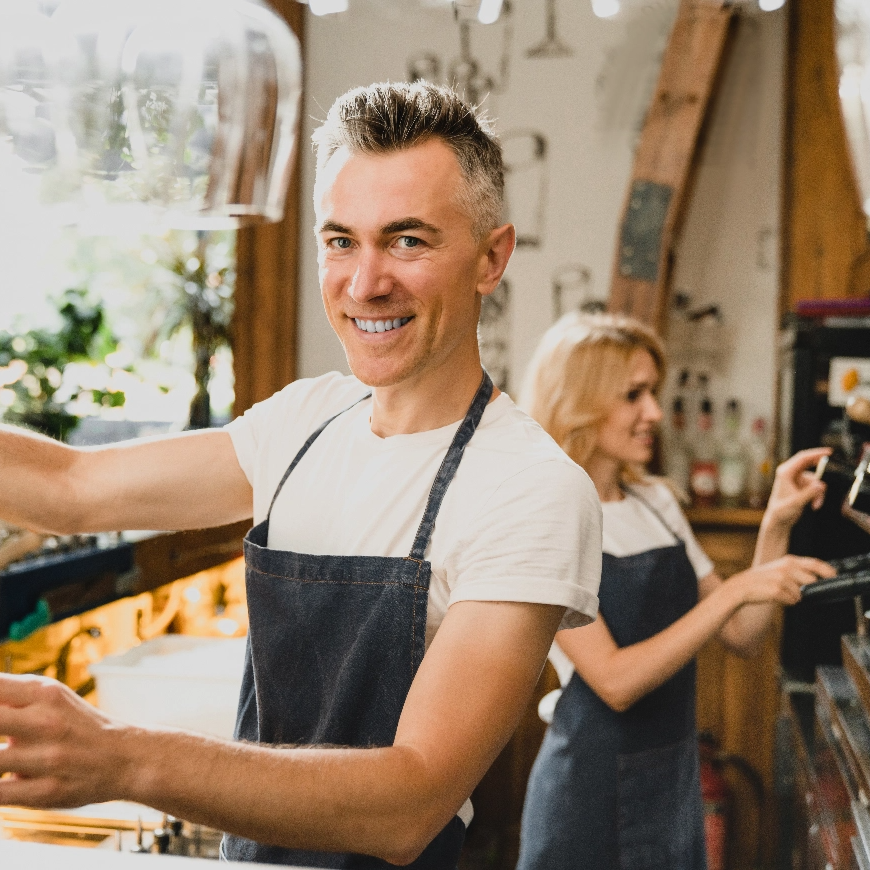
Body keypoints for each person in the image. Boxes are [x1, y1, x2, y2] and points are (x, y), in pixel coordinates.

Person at [0, 83, 603, 868]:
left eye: (408, 241)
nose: (365, 283)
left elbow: (410, 799)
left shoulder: (531, 491)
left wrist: (123, 757)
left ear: (492, 257)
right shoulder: (308, 420)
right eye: (340, 240)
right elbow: (72, 490)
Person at [516, 312, 834, 870]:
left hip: (673, 777)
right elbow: (614, 682)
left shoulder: (658, 504)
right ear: (579, 401)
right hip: (588, 789)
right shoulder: (549, 520)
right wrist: (733, 593)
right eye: (633, 395)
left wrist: (776, 527)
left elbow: (743, 634)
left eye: (653, 393)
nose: (655, 414)